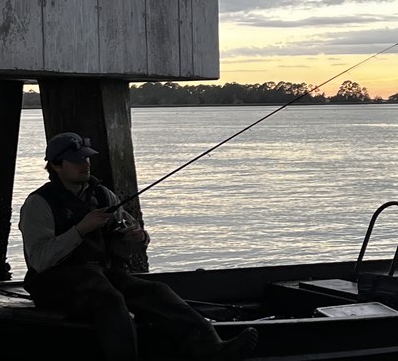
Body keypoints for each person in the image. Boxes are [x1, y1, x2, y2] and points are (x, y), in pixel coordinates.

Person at [19, 131, 259, 361]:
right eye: (76, 160)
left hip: (99, 275)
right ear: (57, 166)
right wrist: (81, 229)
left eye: (87, 157)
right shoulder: (39, 204)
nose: (86, 163)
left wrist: (137, 238)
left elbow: (125, 242)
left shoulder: (103, 196)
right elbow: (40, 260)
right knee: (109, 298)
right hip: (53, 283)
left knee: (155, 291)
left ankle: (212, 348)